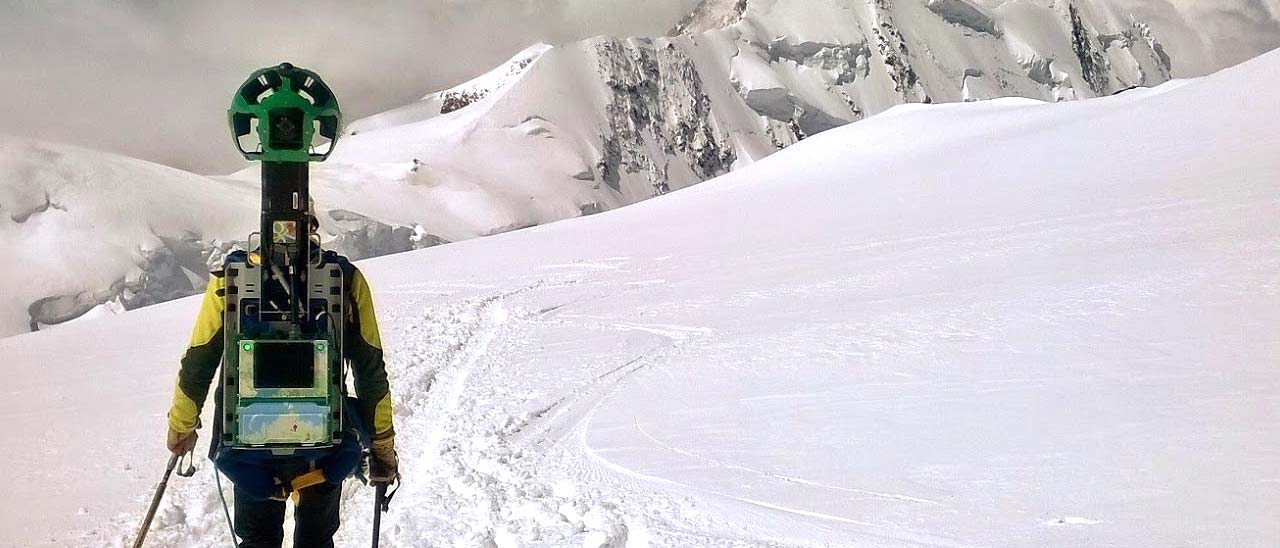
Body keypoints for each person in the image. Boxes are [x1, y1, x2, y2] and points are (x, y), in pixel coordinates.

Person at [164, 232, 398, 548]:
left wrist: (182, 425)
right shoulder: (345, 278)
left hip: (250, 445)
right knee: (316, 539)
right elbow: (370, 372)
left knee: (258, 539)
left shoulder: (231, 279)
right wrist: (382, 445)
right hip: (323, 447)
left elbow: (198, 363)